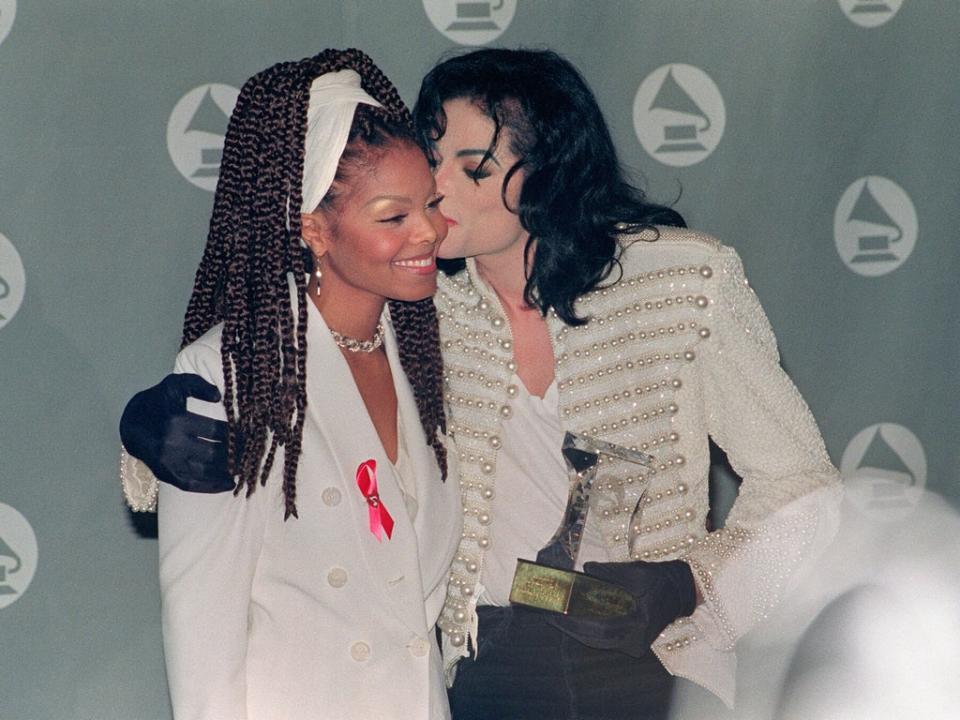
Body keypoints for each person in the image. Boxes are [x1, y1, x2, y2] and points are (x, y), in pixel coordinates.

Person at [120, 49, 841, 719]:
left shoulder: (684, 281)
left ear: (550, 170)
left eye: (475, 167)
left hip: (659, 663)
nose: (437, 191)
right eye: (430, 159)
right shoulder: (422, 315)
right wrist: (144, 435)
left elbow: (805, 488)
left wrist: (689, 584)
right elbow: (272, 408)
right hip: (483, 674)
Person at [128, 48, 462, 720]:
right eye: (394, 216)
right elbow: (202, 630)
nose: (430, 231)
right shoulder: (230, 372)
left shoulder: (431, 351)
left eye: (431, 204)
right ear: (314, 229)